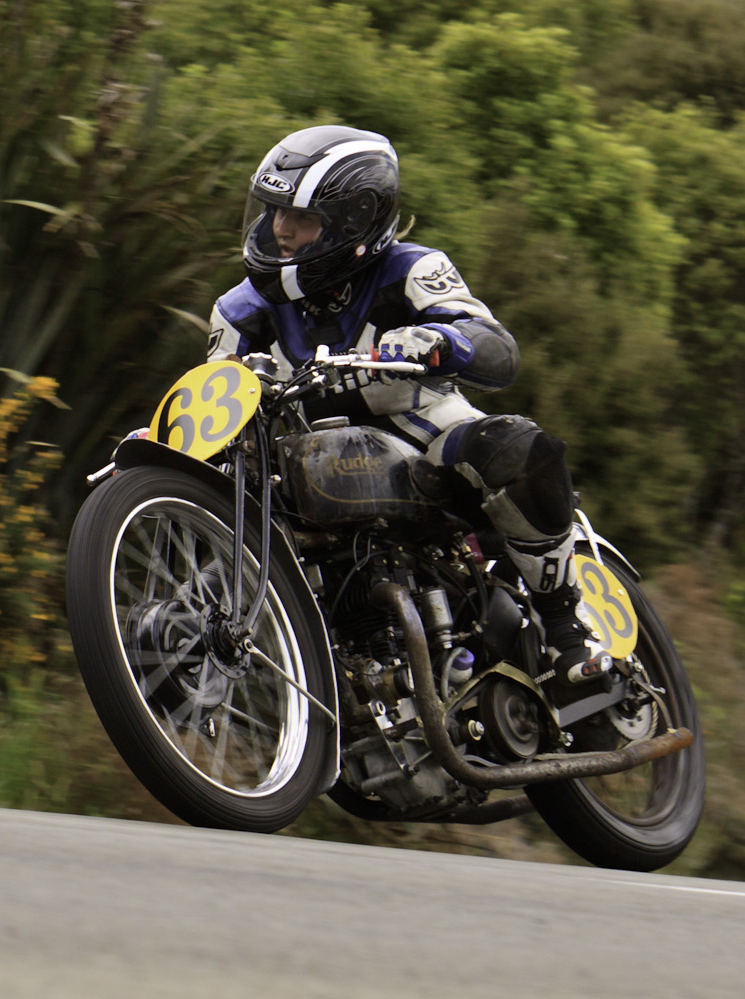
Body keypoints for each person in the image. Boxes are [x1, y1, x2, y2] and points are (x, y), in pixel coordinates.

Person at [206, 124, 610, 683]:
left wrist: (444, 340)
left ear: (353, 222)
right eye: (275, 211)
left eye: (301, 218)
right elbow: (217, 392)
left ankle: (566, 628)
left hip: (432, 442)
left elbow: (495, 345)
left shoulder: (413, 269)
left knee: (513, 446)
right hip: (311, 475)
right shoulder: (238, 310)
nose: (280, 228)